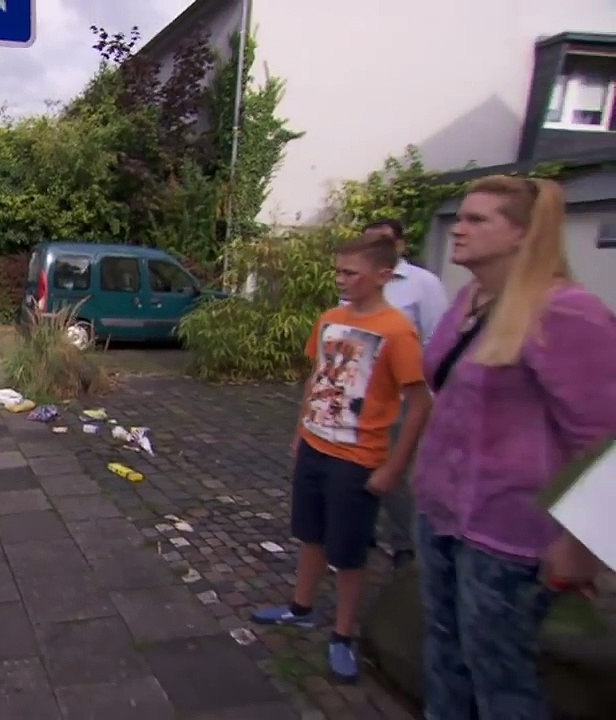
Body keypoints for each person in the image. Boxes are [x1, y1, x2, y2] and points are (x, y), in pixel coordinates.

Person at [412, 176, 614, 719]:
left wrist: (582, 545)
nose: (459, 227)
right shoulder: (468, 300)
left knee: (501, 676)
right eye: (462, 216)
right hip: (440, 515)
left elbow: (605, 436)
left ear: (522, 235)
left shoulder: (566, 311)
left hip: (508, 535)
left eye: (479, 220)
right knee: (444, 655)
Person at [251, 232, 432, 684]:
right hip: (315, 446)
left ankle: (343, 634)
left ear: (383, 276)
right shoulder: (330, 318)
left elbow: (421, 403)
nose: (340, 280)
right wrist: (300, 433)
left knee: (349, 552)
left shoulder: (397, 331)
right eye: (338, 271)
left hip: (359, 456)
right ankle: (301, 608)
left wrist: (393, 466)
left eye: (351, 273)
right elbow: (317, 378)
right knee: (310, 535)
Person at [363, 219, 449, 569]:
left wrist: (420, 389)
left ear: (400, 245)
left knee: (395, 471)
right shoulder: (361, 279)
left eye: (383, 241)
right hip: (360, 395)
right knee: (358, 464)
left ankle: (404, 544)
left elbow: (436, 338)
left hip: (400, 396)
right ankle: (363, 529)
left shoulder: (422, 284)